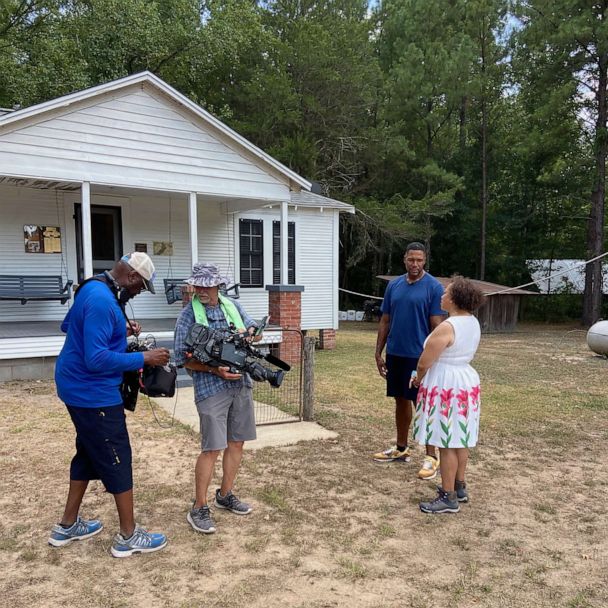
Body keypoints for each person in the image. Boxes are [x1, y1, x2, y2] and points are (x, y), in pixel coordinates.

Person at [49, 252, 170, 557]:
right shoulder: (103, 301)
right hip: (93, 394)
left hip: (74, 387)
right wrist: (145, 357)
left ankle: (67, 526)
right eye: (141, 286)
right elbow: (96, 358)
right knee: (118, 458)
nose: (140, 292)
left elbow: (71, 327)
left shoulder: (92, 288)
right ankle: (128, 536)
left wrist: (119, 332)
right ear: (130, 277)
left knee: (88, 454)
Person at [174, 263, 259, 535]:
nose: (200, 290)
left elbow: (253, 327)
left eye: (205, 285)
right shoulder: (188, 316)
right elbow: (181, 358)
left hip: (241, 384)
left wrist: (253, 332)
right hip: (211, 388)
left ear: (217, 286)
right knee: (212, 447)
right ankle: (199, 506)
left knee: (237, 443)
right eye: (197, 285)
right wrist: (213, 368)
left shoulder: (231, 306)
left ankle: (225, 494)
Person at [412, 277, 484, 514]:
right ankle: (459, 485)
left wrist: (417, 378)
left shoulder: (448, 326)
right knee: (459, 436)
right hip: (464, 381)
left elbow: (426, 361)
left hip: (447, 384)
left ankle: (448, 496)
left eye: (446, 292)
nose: (442, 295)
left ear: (454, 299)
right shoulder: (472, 322)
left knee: (446, 439)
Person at [373, 242, 446, 480]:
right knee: (400, 400)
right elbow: (385, 320)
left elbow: (437, 326)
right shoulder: (394, 285)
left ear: (425, 261)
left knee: (423, 405)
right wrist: (378, 351)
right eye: (411, 259)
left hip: (420, 357)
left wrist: (435, 357)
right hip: (396, 353)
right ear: (404, 259)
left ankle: (431, 456)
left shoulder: (433, 287)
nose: (415, 264)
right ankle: (401, 448)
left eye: (420, 260)